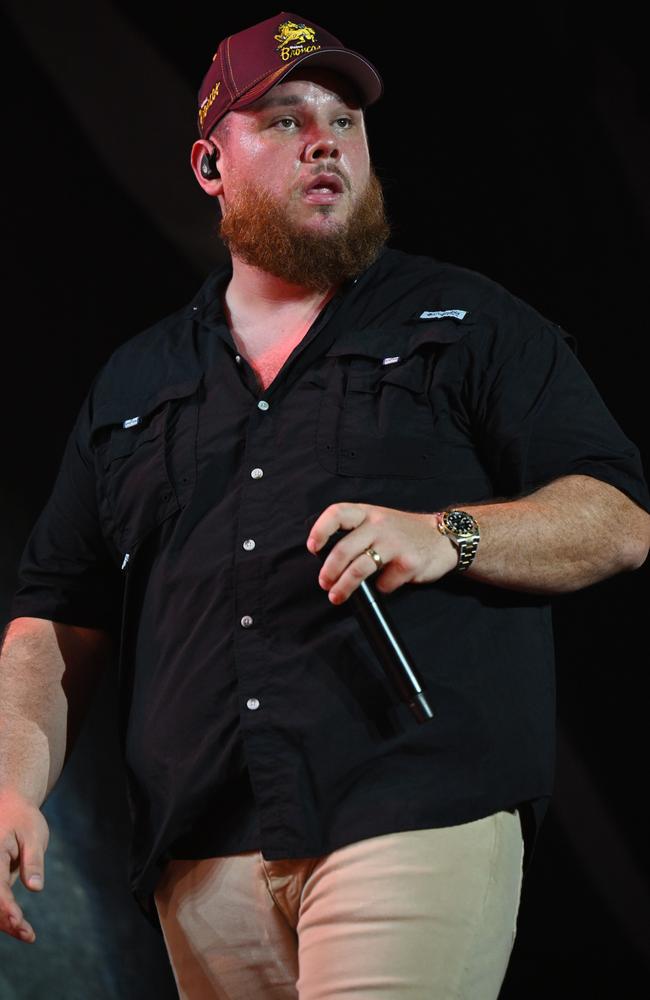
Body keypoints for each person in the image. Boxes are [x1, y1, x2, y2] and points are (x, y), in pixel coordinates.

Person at [1, 10, 649, 999]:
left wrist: (447, 536)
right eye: (284, 119)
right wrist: (14, 782)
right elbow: (56, 616)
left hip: (408, 804)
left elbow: (614, 516)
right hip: (201, 853)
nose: (323, 142)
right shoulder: (135, 383)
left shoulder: (465, 321)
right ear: (208, 167)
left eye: (344, 122)